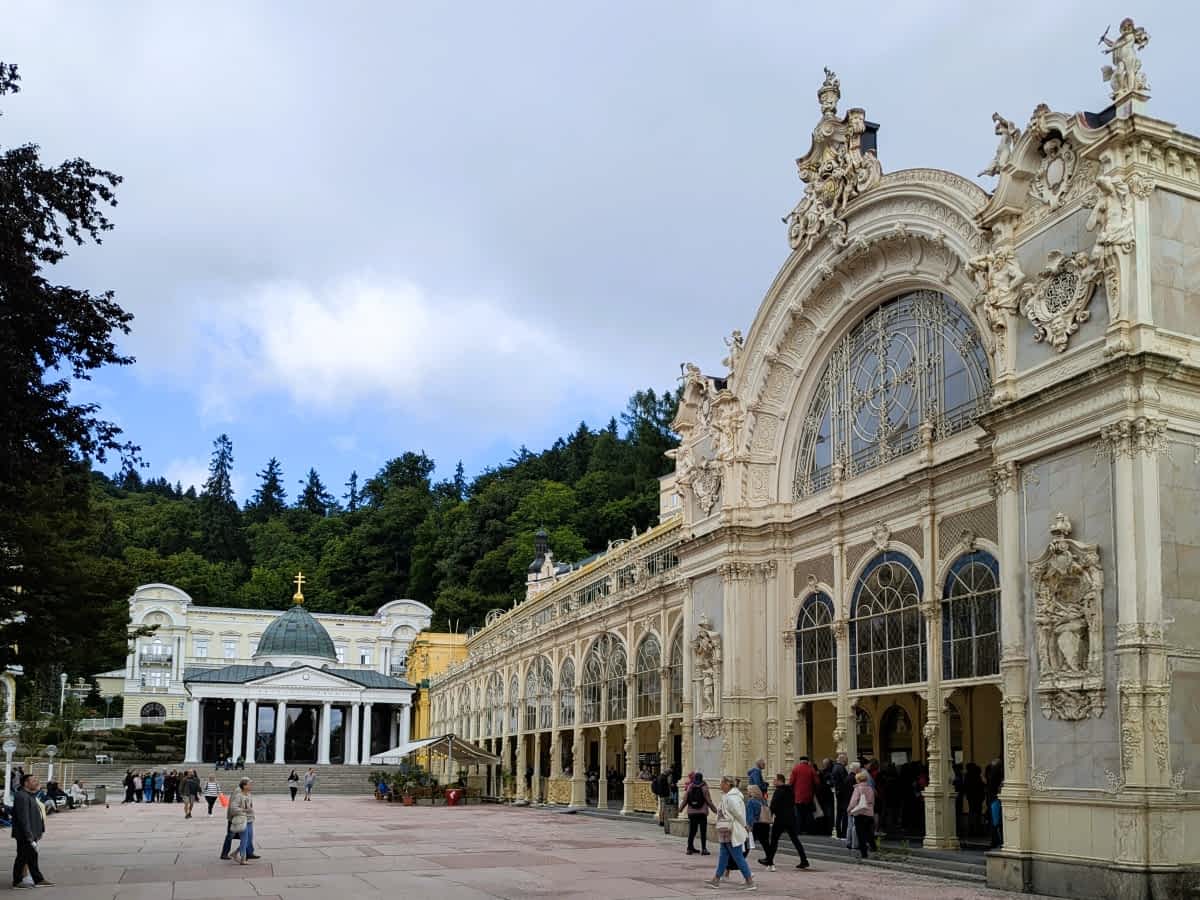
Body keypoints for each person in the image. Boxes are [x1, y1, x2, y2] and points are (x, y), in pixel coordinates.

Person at [702, 775, 755, 890]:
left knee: (737, 856)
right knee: (723, 856)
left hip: (731, 830)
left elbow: (738, 813)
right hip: (725, 830)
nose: (720, 785)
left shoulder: (732, 798)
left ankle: (749, 881)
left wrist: (745, 825)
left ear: (727, 784)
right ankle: (716, 879)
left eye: (721, 783)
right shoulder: (728, 796)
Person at [759, 772, 810, 871]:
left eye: (774, 779)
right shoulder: (790, 790)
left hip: (781, 819)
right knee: (795, 840)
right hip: (791, 818)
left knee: (774, 840)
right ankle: (804, 860)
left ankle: (769, 860)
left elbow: (774, 805)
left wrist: (770, 816)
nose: (773, 781)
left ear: (779, 781)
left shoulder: (778, 791)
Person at [11, 773, 52, 889]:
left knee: (32, 857)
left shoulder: (29, 795)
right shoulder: (22, 796)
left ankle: (38, 879)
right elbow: (24, 818)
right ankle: (17, 881)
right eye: (33, 781)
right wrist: (29, 836)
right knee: (22, 857)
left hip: (31, 834)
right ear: (26, 783)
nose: (37, 782)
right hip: (25, 835)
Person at [684, 772, 717, 855]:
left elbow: (685, 799)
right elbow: (708, 801)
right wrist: (715, 810)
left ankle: (689, 848)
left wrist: (680, 809)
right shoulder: (704, 787)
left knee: (692, 831)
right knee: (703, 831)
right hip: (702, 813)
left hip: (692, 813)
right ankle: (704, 849)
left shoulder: (690, 787)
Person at [847, 770, 877, 859]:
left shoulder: (858, 788)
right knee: (868, 832)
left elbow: (854, 801)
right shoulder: (870, 788)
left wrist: (849, 809)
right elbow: (872, 801)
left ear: (858, 780)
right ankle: (874, 847)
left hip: (860, 813)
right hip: (869, 813)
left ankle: (864, 853)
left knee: (860, 834)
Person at [789, 756, 820, 834]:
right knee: (808, 813)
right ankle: (809, 830)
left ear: (800, 761)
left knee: (798, 814)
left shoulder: (796, 769)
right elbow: (817, 782)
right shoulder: (811, 769)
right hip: (809, 796)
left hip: (798, 796)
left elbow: (791, 782)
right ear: (807, 761)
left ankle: (799, 830)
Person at [230, 778, 257, 865]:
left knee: (249, 839)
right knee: (244, 839)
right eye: (249, 784)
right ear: (244, 786)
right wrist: (244, 810)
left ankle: (235, 853)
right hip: (242, 819)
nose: (251, 786)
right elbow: (233, 808)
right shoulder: (239, 795)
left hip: (250, 819)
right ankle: (243, 858)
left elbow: (250, 806)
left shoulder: (249, 794)